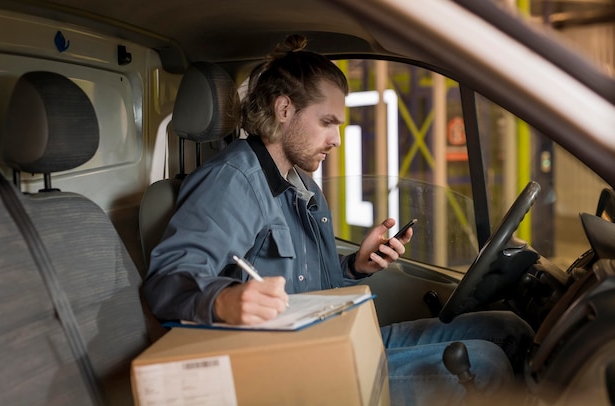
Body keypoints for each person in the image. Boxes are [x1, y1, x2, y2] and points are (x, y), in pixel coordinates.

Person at [144, 34, 534, 405]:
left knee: (509, 332)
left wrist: (354, 267)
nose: (337, 139)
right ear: (284, 111)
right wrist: (223, 301)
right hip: (289, 367)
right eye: (327, 122)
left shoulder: (303, 185)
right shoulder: (232, 182)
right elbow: (166, 281)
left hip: (332, 336)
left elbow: (315, 291)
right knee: (485, 366)